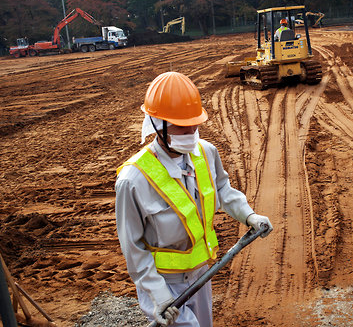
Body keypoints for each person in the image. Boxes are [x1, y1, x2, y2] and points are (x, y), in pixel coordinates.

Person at [115, 72, 273, 327]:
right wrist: (158, 296)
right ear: (157, 123)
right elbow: (133, 248)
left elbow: (222, 189)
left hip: (201, 275)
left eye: (194, 124)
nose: (190, 131)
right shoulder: (133, 180)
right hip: (165, 284)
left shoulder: (205, 152)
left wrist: (249, 215)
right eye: (180, 125)